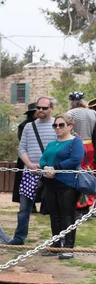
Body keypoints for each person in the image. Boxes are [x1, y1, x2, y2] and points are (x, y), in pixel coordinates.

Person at [8, 96, 56, 246]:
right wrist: (28, 164)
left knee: (55, 210)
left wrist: (51, 166)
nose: (40, 110)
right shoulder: (29, 127)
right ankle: (19, 237)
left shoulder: (57, 125)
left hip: (51, 173)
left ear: (51, 109)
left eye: (44, 108)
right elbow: (22, 148)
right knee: (24, 209)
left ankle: (58, 241)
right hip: (30, 172)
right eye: (38, 108)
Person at [40, 114, 85, 259]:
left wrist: (56, 168)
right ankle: (56, 245)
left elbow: (76, 158)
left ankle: (68, 247)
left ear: (70, 127)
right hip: (50, 182)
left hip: (68, 183)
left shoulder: (75, 142)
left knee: (67, 216)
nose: (57, 128)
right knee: (54, 216)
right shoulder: (52, 144)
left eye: (61, 125)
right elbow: (43, 158)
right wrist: (45, 167)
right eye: (55, 125)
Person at [67, 91, 96, 213]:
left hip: (77, 145)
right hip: (90, 146)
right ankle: (91, 202)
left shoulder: (70, 113)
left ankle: (80, 204)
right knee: (90, 173)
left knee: (78, 174)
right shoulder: (93, 112)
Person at [12, 103, 37, 205]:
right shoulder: (24, 126)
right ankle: (29, 204)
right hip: (26, 156)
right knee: (27, 181)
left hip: (39, 155)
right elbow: (23, 142)